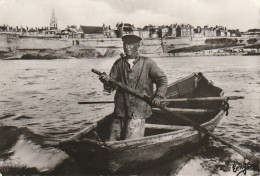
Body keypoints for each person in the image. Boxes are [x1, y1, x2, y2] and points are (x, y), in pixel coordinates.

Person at [99, 35, 168, 141]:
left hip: (139, 111)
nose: (127, 47)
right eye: (125, 44)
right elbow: (110, 88)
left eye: (130, 44)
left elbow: (162, 80)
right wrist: (106, 82)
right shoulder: (118, 64)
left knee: (129, 141)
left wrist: (158, 96)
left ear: (137, 46)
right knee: (110, 140)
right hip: (120, 111)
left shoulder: (148, 63)